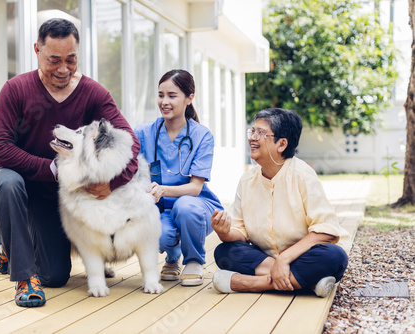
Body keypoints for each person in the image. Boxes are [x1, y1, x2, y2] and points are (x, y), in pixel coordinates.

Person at [0, 18, 140, 307]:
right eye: (54, 60)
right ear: (37, 51)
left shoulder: (94, 94)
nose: (64, 69)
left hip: (50, 197)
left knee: (54, 276)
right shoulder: (15, 90)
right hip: (11, 180)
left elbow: (129, 141)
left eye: (71, 59)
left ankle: (10, 242)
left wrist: (112, 182)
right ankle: (24, 278)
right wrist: (51, 169)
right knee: (7, 182)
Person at [211, 108, 350, 297]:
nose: (252, 137)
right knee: (224, 252)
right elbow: (240, 234)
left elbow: (326, 230)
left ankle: (253, 284)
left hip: (303, 256)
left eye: (260, 133)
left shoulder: (302, 174)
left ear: (282, 144)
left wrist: (284, 259)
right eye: (252, 131)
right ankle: (306, 283)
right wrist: (224, 231)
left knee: (335, 256)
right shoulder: (247, 180)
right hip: (265, 259)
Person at [134, 69, 223, 286]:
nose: (164, 101)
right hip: (161, 208)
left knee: (185, 206)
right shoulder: (144, 133)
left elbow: (194, 188)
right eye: (161, 95)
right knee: (160, 234)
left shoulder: (202, 135)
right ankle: (172, 259)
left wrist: (164, 189)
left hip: (197, 206)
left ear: (189, 98)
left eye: (172, 96)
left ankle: (193, 260)